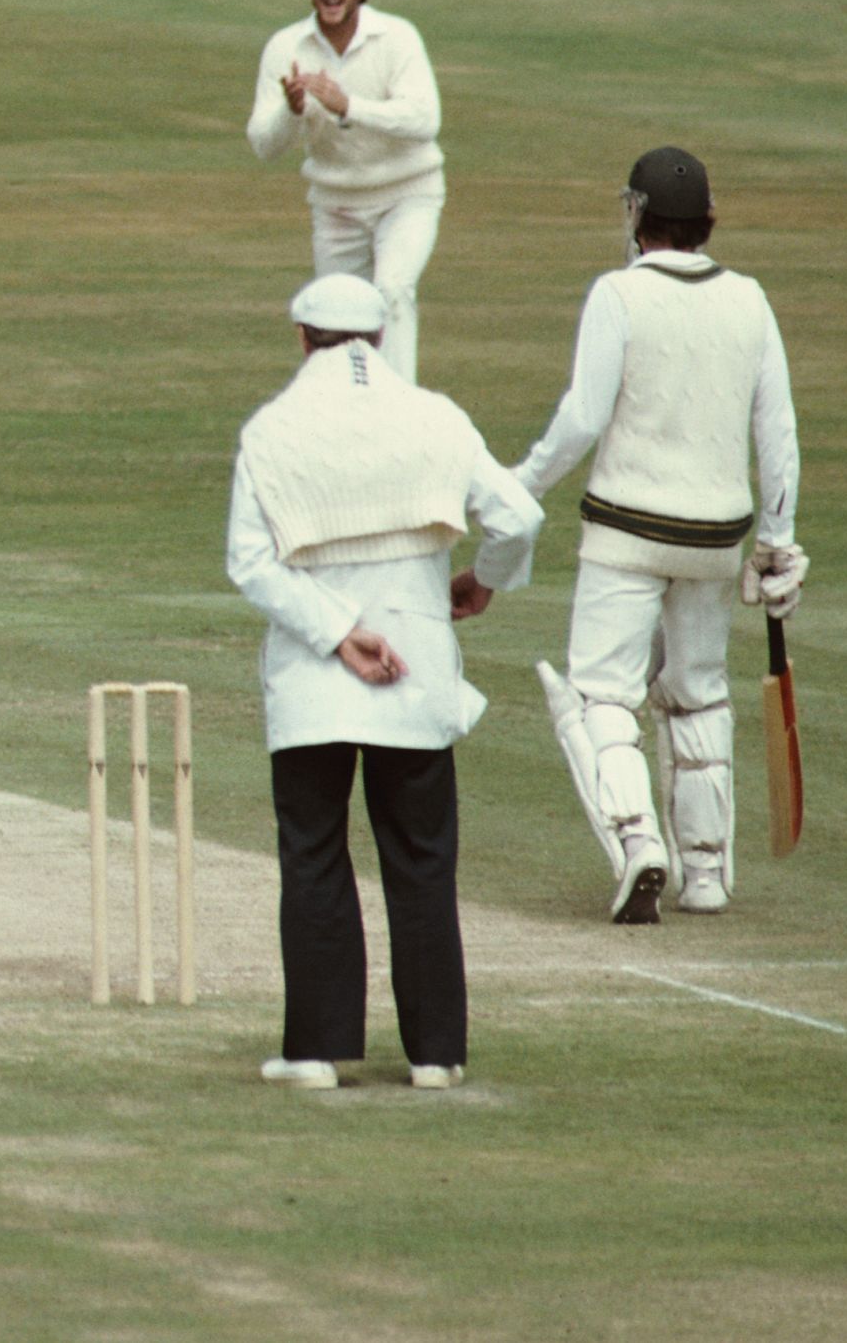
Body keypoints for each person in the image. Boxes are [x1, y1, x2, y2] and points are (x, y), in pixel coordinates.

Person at [226, 273, 545, 1091]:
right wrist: (485, 579)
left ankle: (317, 1053)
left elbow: (249, 563)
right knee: (421, 861)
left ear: (302, 337)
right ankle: (436, 1054)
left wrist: (337, 635)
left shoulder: (272, 428)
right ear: (377, 335)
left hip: (311, 677)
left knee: (314, 856)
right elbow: (520, 516)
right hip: (417, 668)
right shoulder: (434, 416)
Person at [515, 148, 807, 924]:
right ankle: (705, 875)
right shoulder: (748, 298)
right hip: (716, 538)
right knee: (697, 693)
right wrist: (778, 542)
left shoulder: (618, 294)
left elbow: (582, 417)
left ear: (638, 216)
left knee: (601, 690)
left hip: (625, 530)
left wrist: (521, 487)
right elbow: (776, 431)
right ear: (707, 223)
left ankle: (637, 838)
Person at [245, 0, 445, 379]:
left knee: (392, 289)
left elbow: (424, 120)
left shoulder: (396, 36)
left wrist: (347, 105)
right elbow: (264, 144)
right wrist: (292, 111)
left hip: (407, 193)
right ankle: (340, 410)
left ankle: (399, 408)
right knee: (337, 315)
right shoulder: (287, 47)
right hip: (336, 204)